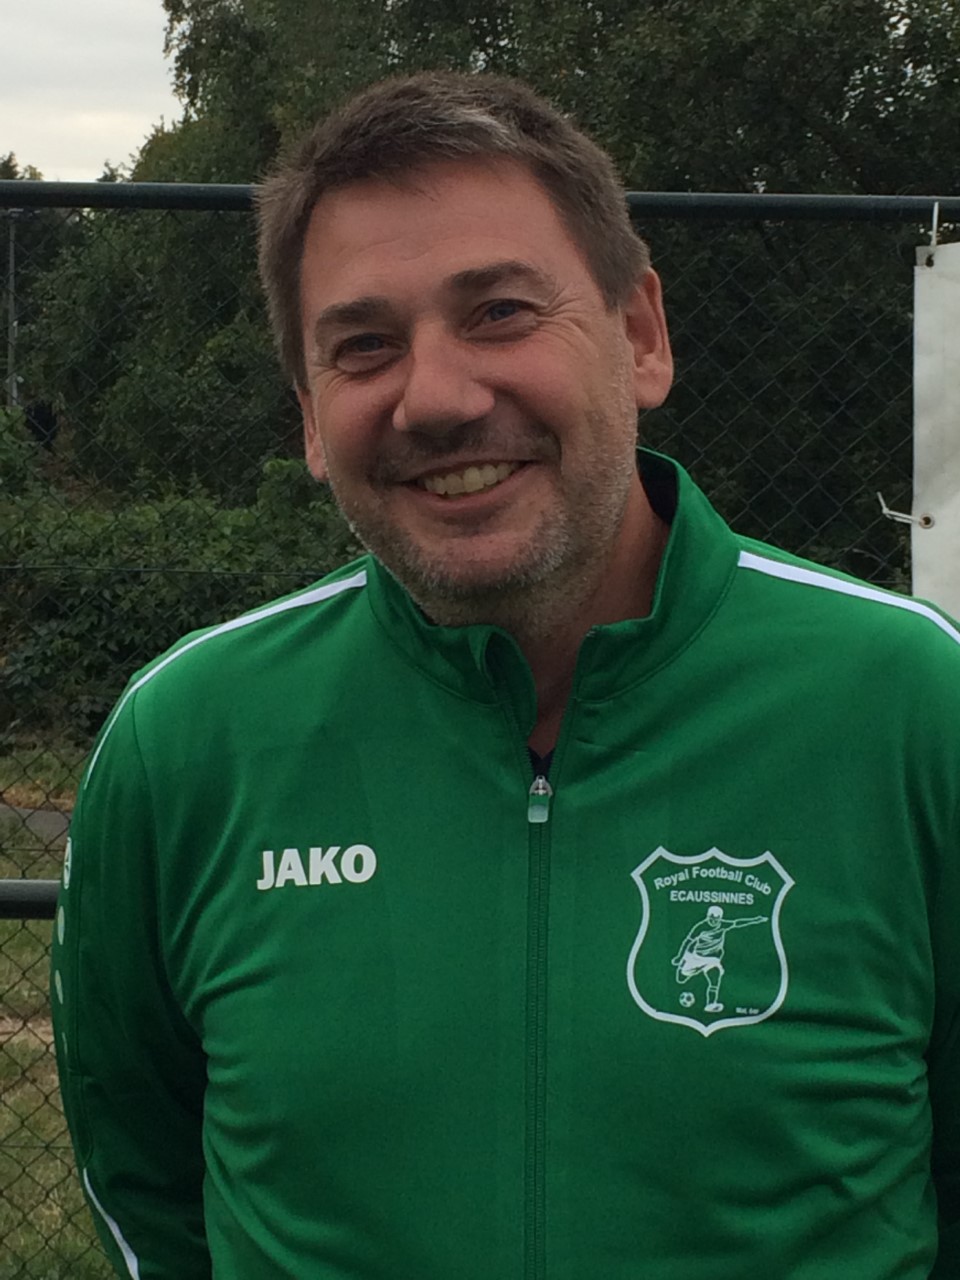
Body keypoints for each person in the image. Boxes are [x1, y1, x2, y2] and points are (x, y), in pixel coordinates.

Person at [51, 71, 960, 1280]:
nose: (436, 397)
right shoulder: (185, 743)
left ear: (640, 335)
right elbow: (145, 1186)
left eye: (499, 312)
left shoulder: (913, 706)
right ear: (311, 418)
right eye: (364, 346)